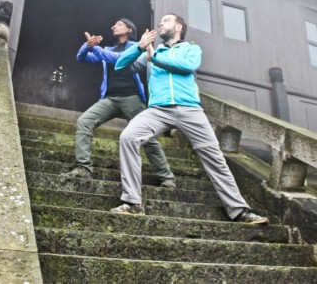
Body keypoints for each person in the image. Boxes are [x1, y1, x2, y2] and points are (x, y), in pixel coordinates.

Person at [110, 13, 269, 224]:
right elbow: (120, 66)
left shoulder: (190, 49)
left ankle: (239, 210)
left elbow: (187, 66)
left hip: (190, 111)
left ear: (179, 27)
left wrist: (154, 57)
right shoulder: (149, 53)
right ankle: (132, 203)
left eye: (166, 20)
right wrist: (139, 48)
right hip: (158, 110)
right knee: (128, 137)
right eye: (160, 21)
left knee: (214, 157)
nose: (160, 23)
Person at [62, 18, 176, 189]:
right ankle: (83, 167)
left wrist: (97, 49)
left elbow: (118, 59)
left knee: (148, 137)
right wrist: (87, 45)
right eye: (113, 24)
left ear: (129, 29)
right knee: (84, 122)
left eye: (119, 24)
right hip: (110, 98)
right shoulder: (108, 49)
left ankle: (166, 177)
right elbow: (82, 58)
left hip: (132, 98)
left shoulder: (137, 47)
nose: (114, 26)